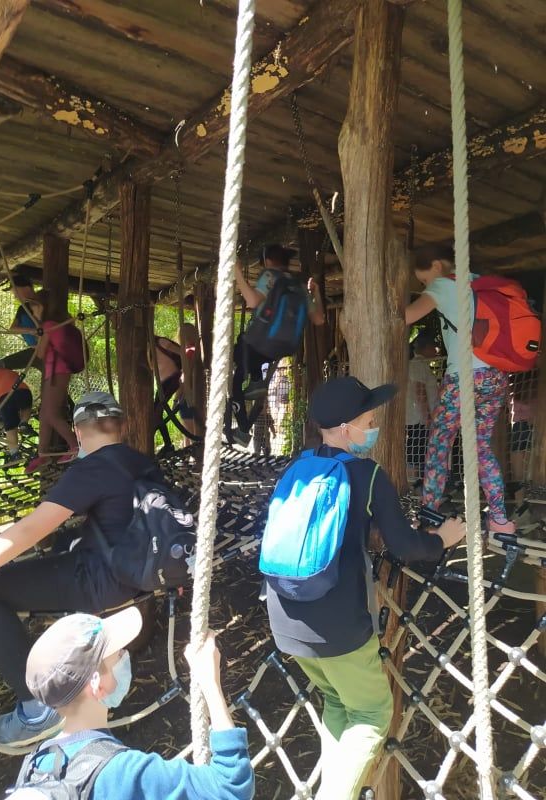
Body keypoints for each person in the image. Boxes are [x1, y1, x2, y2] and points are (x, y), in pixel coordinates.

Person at [264, 376, 466, 800]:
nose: (373, 428)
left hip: (285, 617)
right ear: (346, 428)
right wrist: (442, 540)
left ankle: (335, 786)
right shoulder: (367, 474)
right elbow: (405, 545)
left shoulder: (298, 467)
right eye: (369, 421)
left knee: (339, 702)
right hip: (336, 624)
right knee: (373, 713)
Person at [0, 392, 162, 746]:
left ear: (77, 431)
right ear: (122, 426)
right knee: (62, 543)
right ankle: (83, 663)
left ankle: (38, 709)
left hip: (101, 581)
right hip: (141, 574)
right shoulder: (142, 462)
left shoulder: (92, 468)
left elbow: (30, 530)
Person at [7, 612, 254, 800]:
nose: (125, 655)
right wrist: (210, 683)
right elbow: (231, 787)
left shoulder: (37, 764)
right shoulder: (122, 773)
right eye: (117, 654)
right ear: (97, 684)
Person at [405, 245, 515, 534]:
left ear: (436, 266)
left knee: (440, 443)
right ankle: (500, 519)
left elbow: (406, 316)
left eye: (423, 280)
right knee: (481, 447)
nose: (425, 286)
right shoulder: (479, 283)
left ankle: (430, 513)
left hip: (464, 377)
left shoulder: (443, 284)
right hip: (495, 377)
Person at [229, 244, 325, 447]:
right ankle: (256, 382)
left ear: (268, 261)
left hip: (260, 343)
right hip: (285, 347)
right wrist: (315, 293)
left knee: (236, 377)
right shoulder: (299, 286)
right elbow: (318, 319)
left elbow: (253, 301)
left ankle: (243, 429)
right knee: (249, 357)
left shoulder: (269, 276)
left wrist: (237, 273)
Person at [26, 291, 78, 473]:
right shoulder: (60, 322)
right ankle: (43, 453)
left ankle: (75, 446)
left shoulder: (48, 325)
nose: (33, 312)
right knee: (44, 414)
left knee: (52, 414)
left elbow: (40, 353)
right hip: (55, 371)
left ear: (42, 307)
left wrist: (37, 336)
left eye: (34, 308)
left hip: (58, 372)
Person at [406, 333, 439, 482]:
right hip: (418, 417)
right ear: (426, 348)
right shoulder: (418, 364)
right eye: (433, 347)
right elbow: (420, 391)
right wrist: (427, 415)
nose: (435, 350)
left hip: (419, 416)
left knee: (417, 449)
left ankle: (416, 481)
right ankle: (413, 481)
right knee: (416, 449)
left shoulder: (420, 364)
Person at [2, 274, 42, 372]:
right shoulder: (22, 308)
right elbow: (12, 329)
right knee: (1, 365)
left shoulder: (42, 303)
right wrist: (31, 330)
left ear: (27, 288)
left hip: (44, 348)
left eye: (17, 293)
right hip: (33, 350)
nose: (16, 297)